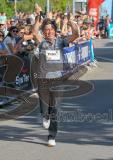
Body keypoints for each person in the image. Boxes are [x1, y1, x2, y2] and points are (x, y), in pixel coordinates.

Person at [32, 15, 79, 147]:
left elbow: (75, 34)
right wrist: (37, 20)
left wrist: (71, 23)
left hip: (58, 79)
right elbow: (35, 32)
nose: (48, 32)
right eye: (45, 29)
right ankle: (45, 115)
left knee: (56, 109)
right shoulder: (42, 42)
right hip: (43, 79)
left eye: (50, 29)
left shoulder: (61, 42)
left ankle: (52, 136)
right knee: (45, 107)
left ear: (54, 30)